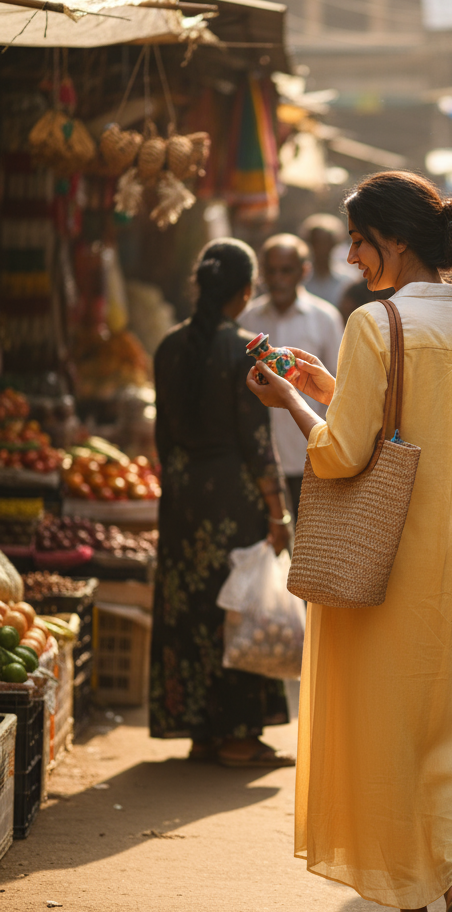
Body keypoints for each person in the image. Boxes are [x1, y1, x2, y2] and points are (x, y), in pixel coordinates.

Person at [246, 171, 452, 912]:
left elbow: (344, 451)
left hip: (388, 562)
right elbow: (410, 420)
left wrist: (293, 400)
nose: (351, 257)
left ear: (391, 240)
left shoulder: (374, 323)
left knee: (394, 732)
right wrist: (330, 388)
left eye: (358, 240)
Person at [149, 239, 293, 768]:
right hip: (231, 495)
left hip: (183, 492)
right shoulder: (245, 350)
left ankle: (202, 731)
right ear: (246, 289)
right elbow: (258, 442)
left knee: (190, 606)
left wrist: (180, 482)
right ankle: (237, 734)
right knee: (237, 606)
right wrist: (277, 514)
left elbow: (163, 436)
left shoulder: (169, 346)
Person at [240, 233, 343, 519]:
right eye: (271, 271)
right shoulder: (247, 319)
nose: (278, 279)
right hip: (261, 460)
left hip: (310, 455)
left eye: (286, 270)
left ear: (303, 271)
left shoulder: (325, 319)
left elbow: (340, 386)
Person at [299, 212, 356, 307]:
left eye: (326, 243)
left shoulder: (347, 281)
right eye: (316, 242)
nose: (321, 248)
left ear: (334, 244)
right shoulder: (301, 279)